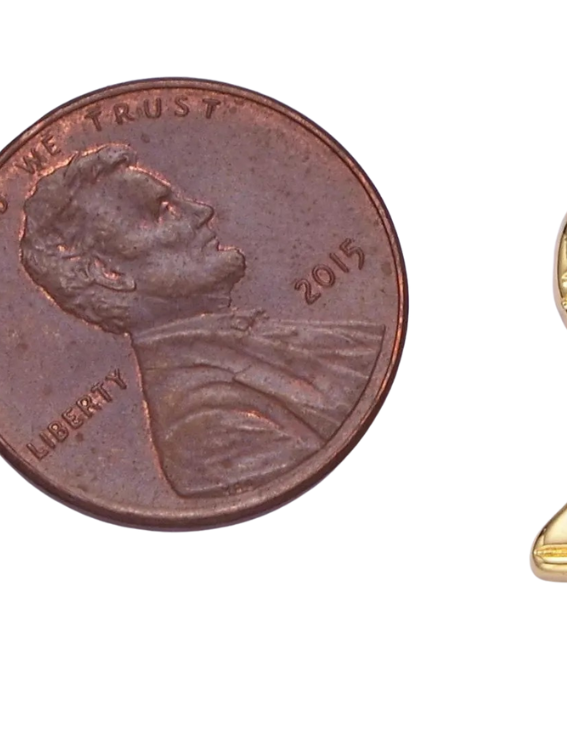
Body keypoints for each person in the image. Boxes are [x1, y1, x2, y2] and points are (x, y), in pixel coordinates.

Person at [20, 145, 383, 497]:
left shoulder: (252, 342)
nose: (202, 211)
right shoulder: (202, 431)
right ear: (107, 273)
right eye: (161, 211)